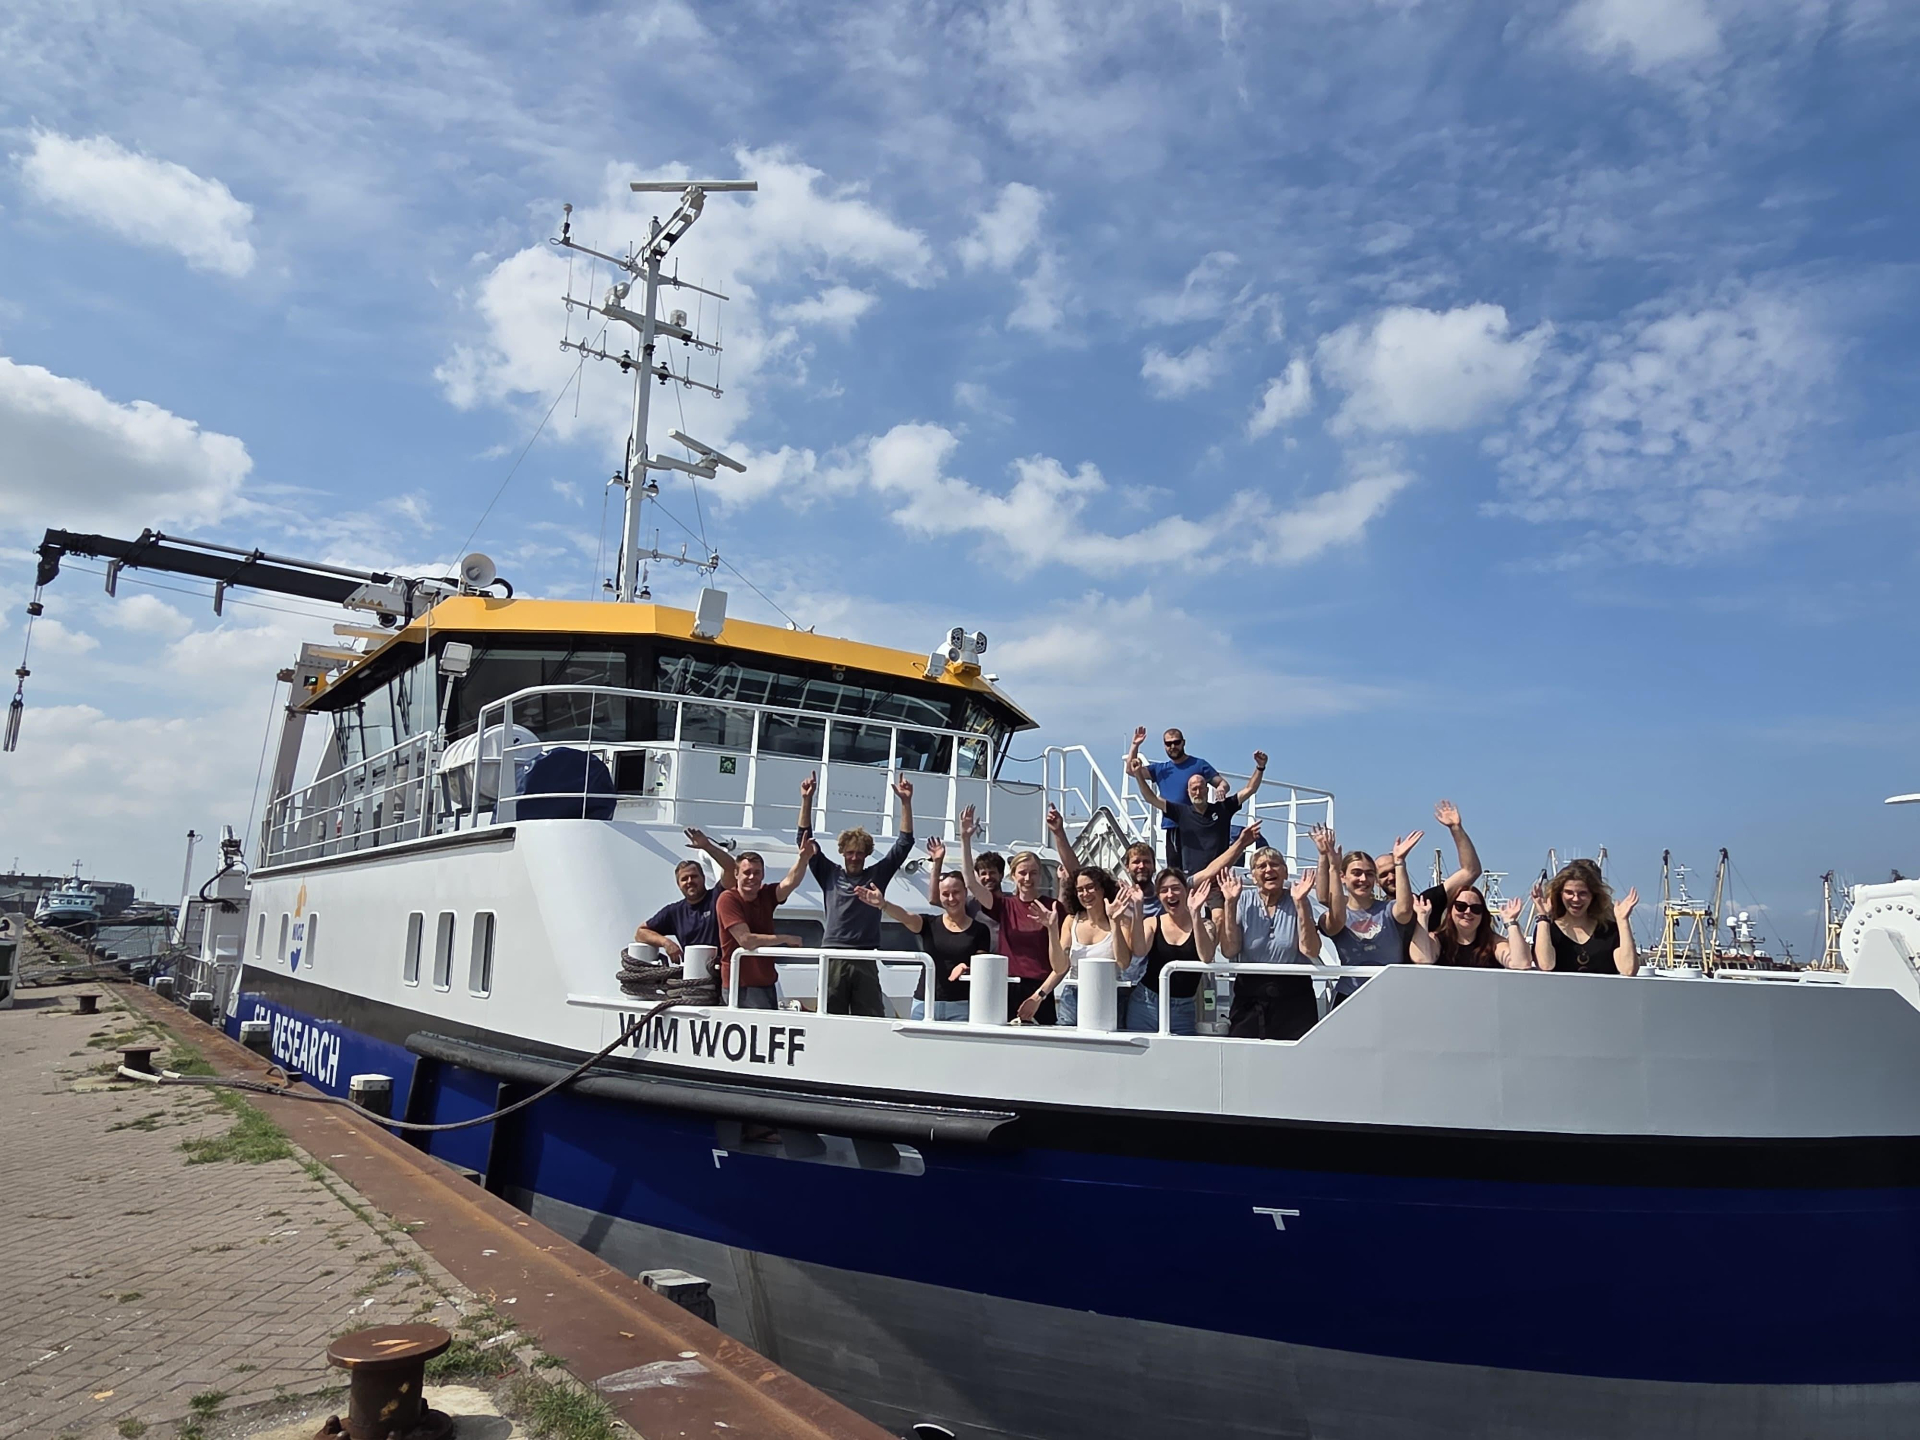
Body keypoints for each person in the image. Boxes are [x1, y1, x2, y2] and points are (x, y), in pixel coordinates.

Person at [796, 769, 915, 1016]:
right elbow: (804, 840)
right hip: (833, 956)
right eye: (850, 852)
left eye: (860, 852)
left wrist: (905, 802)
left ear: (867, 854)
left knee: (870, 1018)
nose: (854, 857)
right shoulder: (828, 872)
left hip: (865, 957)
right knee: (830, 1016)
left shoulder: (877, 876)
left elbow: (904, 844)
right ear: (842, 852)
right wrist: (807, 800)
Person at [958, 806, 1063, 1024]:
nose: (1028, 878)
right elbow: (970, 882)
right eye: (1022, 873)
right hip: (1007, 986)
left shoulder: (1053, 908)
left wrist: (1039, 996)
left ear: (1041, 876)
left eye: (1033, 873)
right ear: (1013, 876)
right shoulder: (1003, 906)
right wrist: (965, 840)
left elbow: (1061, 962)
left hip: (1041, 990)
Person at [1216, 839, 1325, 1040]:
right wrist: (1229, 904)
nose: (1269, 870)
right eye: (1261, 866)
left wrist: (1301, 904)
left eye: (1275, 864)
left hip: (1293, 995)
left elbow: (1311, 951)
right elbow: (1229, 951)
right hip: (1251, 993)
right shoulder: (1243, 900)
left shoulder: (1298, 899)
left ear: (1284, 872)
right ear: (1253, 875)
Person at [855, 874, 991, 1022]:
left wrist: (967, 968)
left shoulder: (980, 930)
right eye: (945, 894)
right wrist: (883, 904)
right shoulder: (929, 924)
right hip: (923, 1005)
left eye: (956, 892)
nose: (951, 898)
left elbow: (982, 968)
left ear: (965, 892)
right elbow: (906, 916)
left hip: (961, 1007)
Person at [1127, 749, 1267, 880]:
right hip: (1192, 881)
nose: (1198, 792)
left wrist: (1260, 767)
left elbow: (1250, 789)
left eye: (1201, 788)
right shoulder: (1181, 812)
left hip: (1219, 880)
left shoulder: (1223, 808)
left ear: (1207, 790)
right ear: (1188, 792)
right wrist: (1139, 774)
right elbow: (1151, 798)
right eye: (1194, 789)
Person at [1377, 801, 1483, 963]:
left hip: (1428, 979)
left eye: (1394, 870)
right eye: (1384, 874)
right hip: (1390, 980)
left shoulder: (1426, 901)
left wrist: (1456, 828)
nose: (1391, 877)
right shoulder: (1375, 913)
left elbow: (1471, 870)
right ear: (1377, 882)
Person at [1320, 831, 1421, 999]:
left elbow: (1404, 911)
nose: (1363, 879)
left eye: (1369, 874)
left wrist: (1400, 863)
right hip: (1350, 995)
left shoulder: (1388, 910)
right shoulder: (1331, 916)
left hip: (1391, 993)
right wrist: (1333, 867)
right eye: (1357, 873)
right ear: (1343, 877)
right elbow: (1336, 919)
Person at [714, 842, 815, 1008]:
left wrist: (803, 859)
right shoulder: (727, 900)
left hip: (766, 982)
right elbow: (746, 940)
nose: (752, 877)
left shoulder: (766, 895)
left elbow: (790, 882)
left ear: (763, 875)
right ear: (736, 874)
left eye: (757, 872)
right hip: (741, 986)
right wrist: (786, 938)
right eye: (747, 872)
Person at [1125, 871, 1219, 1034]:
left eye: (1176, 888)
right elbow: (1139, 951)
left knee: (1179, 1059)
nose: (1170, 894)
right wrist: (1138, 908)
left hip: (1183, 1008)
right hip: (1145, 1003)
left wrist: (1195, 913)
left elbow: (1206, 956)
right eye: (1164, 890)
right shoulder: (1152, 923)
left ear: (1187, 891)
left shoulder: (1206, 925)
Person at [1048, 868, 1143, 1026]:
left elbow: (1123, 963)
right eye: (1080, 890)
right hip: (1073, 995)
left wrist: (1114, 921)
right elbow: (1059, 967)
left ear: (1103, 888)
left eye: (1090, 887)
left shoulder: (1123, 920)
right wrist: (1051, 929)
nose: (1085, 894)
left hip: (1109, 995)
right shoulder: (1071, 921)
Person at [631, 828, 739, 961]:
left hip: (724, 972)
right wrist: (666, 943)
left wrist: (707, 847)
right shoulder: (674, 911)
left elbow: (732, 869)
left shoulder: (718, 897)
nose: (689, 882)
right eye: (684, 879)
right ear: (678, 884)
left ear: (703, 878)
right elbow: (640, 933)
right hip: (693, 975)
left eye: (694, 876)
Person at [1124, 725, 1219, 870]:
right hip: (1173, 826)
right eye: (1168, 743)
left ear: (1183, 742)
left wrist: (1221, 791)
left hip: (1198, 824)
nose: (1172, 746)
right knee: (1175, 870)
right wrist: (1135, 745)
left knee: (1201, 867)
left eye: (1176, 742)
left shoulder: (1199, 764)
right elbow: (1131, 770)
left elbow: (1222, 783)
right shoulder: (1161, 769)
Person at [1531, 859, 1640, 975]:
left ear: (1593, 896)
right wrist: (1543, 916)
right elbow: (1545, 965)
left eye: (1582, 893)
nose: (1575, 899)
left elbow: (1628, 969)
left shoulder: (1609, 930)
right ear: (1560, 894)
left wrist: (1623, 921)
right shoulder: (1549, 928)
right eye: (1569, 893)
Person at [1412, 887, 1533, 969]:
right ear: (1450, 911)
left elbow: (1521, 963)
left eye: (1476, 909)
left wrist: (1510, 921)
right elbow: (1422, 958)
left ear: (1483, 914)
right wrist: (1422, 917)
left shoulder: (1494, 943)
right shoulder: (1437, 940)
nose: (1468, 912)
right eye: (1461, 906)